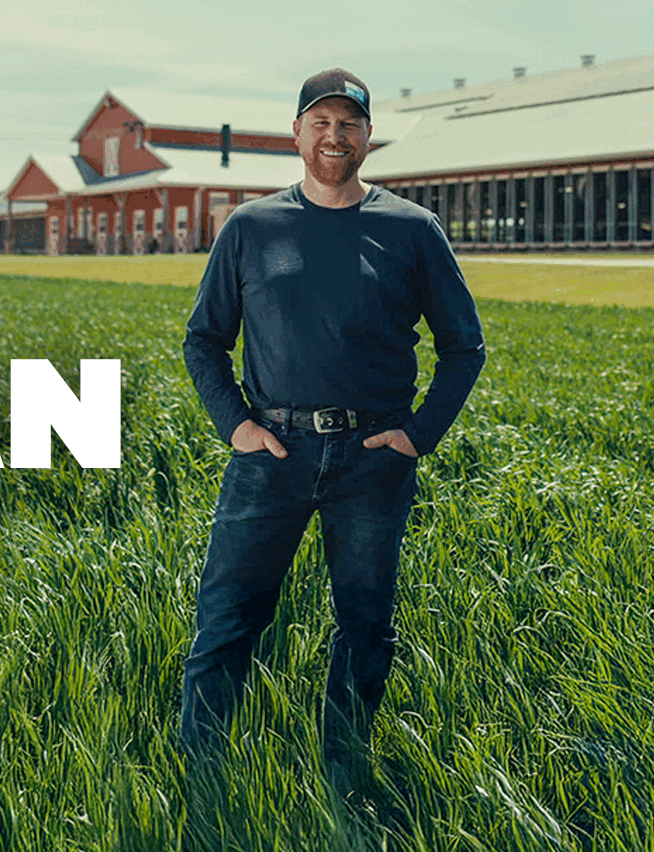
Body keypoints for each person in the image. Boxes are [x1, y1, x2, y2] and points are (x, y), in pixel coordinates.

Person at [179, 68, 487, 782]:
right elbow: (203, 340)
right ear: (296, 133)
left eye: (348, 123)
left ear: (368, 136)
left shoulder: (411, 230)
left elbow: (464, 347)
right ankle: (201, 777)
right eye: (320, 122)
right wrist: (236, 426)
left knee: (365, 624)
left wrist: (417, 436)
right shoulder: (251, 227)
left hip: (371, 458)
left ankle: (345, 776)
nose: (333, 136)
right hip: (272, 454)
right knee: (226, 620)